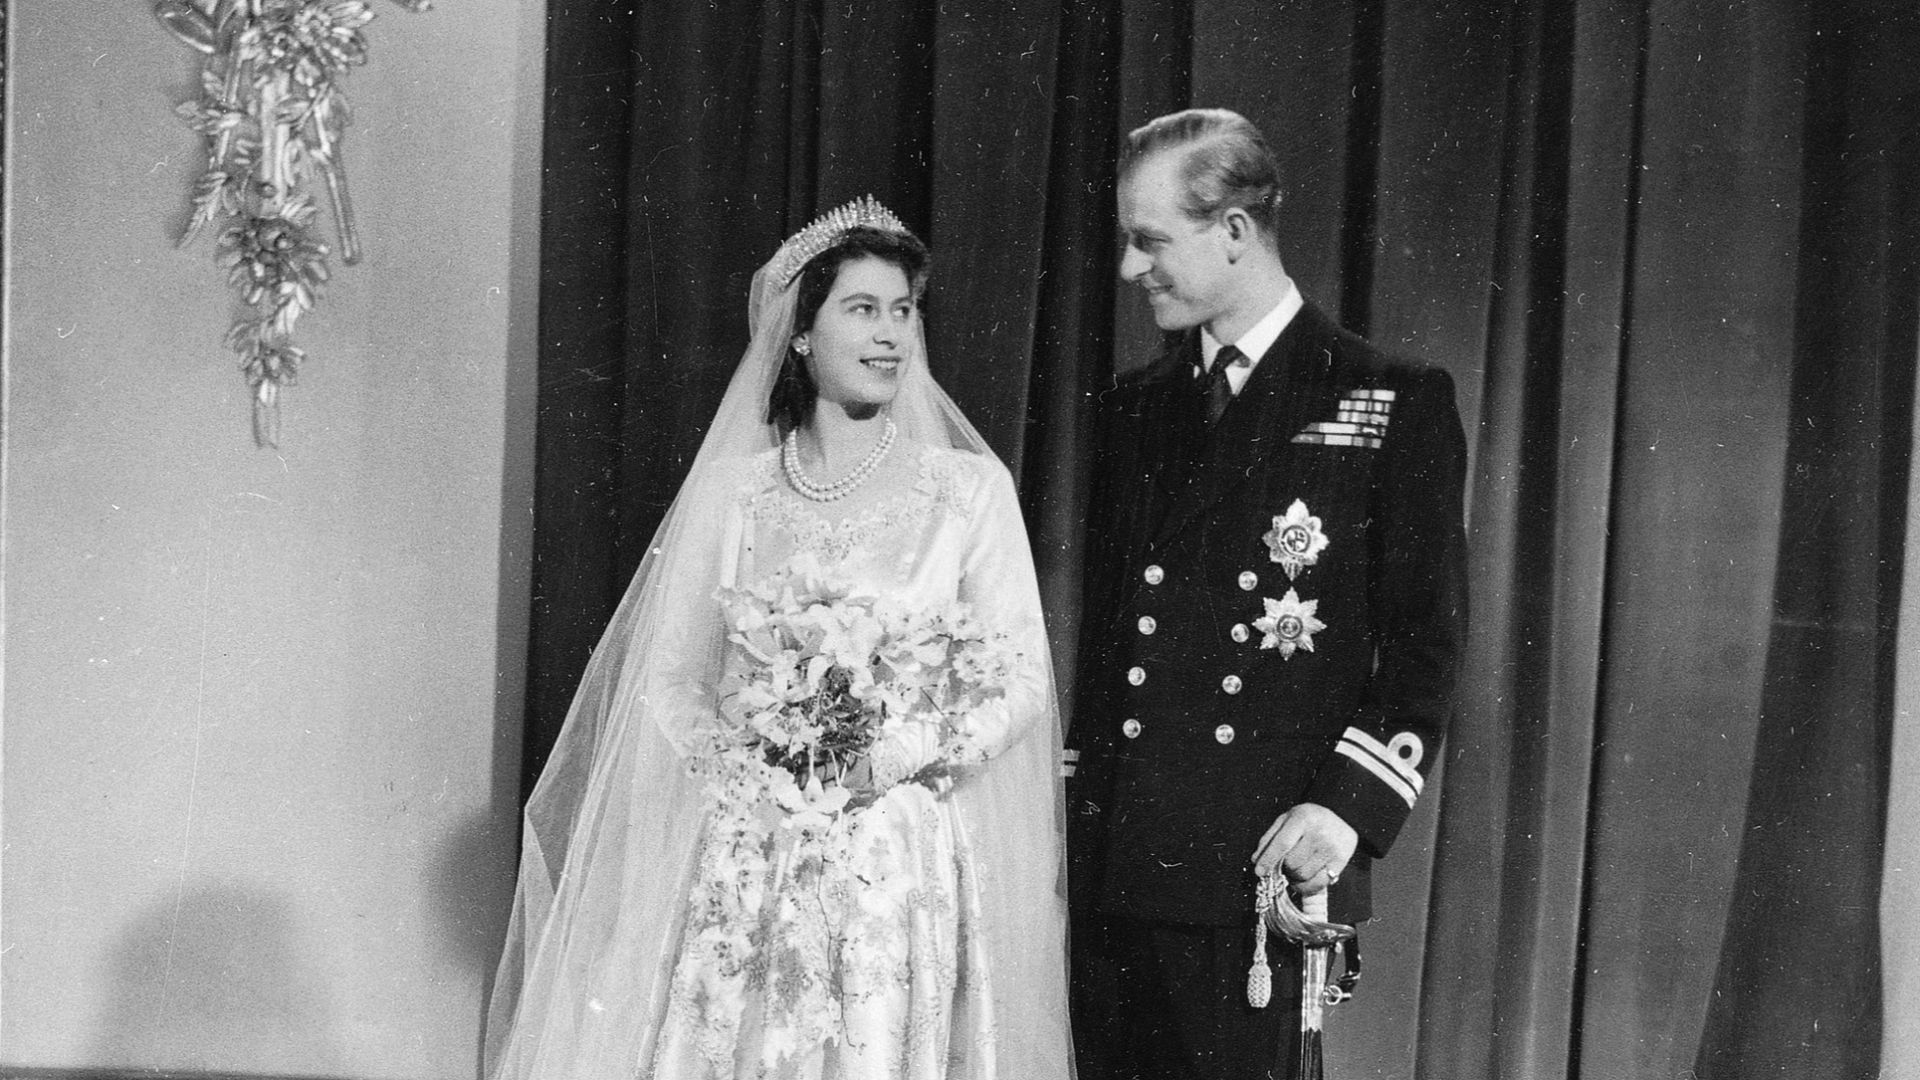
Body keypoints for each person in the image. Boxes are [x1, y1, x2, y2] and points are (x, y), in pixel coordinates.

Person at [486, 198, 1073, 1079]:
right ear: (801, 332)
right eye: (862, 309)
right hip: (750, 849)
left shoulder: (967, 491)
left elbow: (1023, 681)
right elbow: (672, 676)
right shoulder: (737, 494)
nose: (891, 336)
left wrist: (896, 754)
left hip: (894, 850)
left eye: (903, 311)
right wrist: (747, 767)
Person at [1065, 108, 1468, 1078]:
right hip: (1119, 863)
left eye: (1150, 241)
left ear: (1235, 232)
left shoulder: (1384, 400)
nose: (1130, 270)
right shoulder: (1135, 409)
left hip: (1258, 865)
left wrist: (1347, 808)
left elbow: (1426, 641)